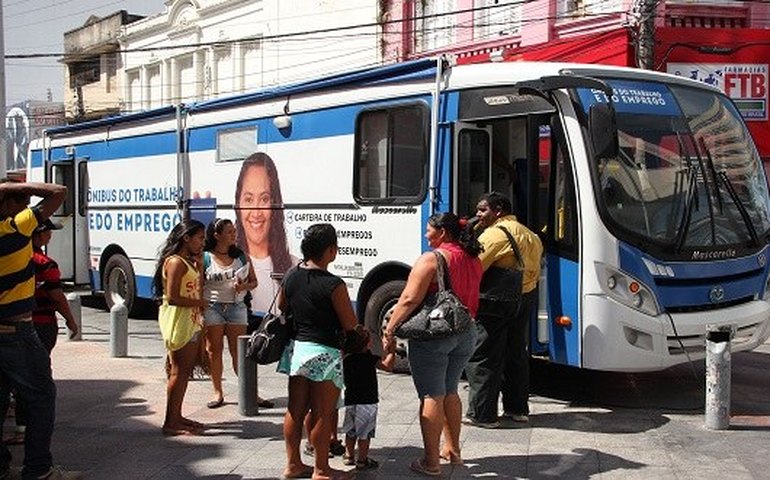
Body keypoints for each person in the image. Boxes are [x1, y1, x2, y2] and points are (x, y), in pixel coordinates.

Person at [382, 212, 482, 477]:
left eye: (429, 230)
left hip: (435, 335)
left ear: (442, 233)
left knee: (431, 394)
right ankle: (453, 450)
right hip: (466, 331)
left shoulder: (432, 259)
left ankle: (431, 462)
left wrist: (390, 329)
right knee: (450, 390)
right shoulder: (473, 257)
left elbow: (409, 299)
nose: (426, 235)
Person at [0, 179, 82, 480]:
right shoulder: (15, 227)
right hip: (16, 329)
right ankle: (38, 469)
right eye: (22, 202)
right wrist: (11, 187)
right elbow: (59, 192)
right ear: (8, 203)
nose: (27, 207)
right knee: (41, 397)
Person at [277, 224, 357, 480]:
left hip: (297, 351)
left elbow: (282, 306)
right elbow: (350, 324)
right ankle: (321, 469)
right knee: (323, 412)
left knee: (295, 409)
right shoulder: (333, 284)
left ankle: (293, 464)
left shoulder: (291, 275)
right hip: (324, 352)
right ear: (331, 250)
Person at [464, 192, 543, 428]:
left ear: (498, 210)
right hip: (525, 297)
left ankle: (482, 414)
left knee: (485, 355)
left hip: (497, 302)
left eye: (482, 209)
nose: (478, 214)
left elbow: (474, 268)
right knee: (516, 353)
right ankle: (517, 409)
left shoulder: (494, 235)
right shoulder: (531, 235)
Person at [6, 220, 80, 446]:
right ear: (38, 235)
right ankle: (29, 433)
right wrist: (70, 320)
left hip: (12, 323)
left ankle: (20, 425)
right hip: (41, 324)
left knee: (13, 376)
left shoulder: (11, 258)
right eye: (48, 232)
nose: (50, 235)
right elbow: (56, 296)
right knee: (37, 379)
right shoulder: (45, 263)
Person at [201, 218, 271, 409]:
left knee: (239, 351)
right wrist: (199, 307)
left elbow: (254, 282)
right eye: (229, 232)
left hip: (237, 307)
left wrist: (243, 287)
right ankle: (217, 392)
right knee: (214, 350)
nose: (234, 235)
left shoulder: (241, 256)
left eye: (234, 231)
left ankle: (250, 393)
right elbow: (199, 285)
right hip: (213, 307)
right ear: (217, 236)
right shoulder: (205, 257)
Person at [153, 219, 208, 436]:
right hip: (179, 321)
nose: (202, 243)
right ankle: (171, 421)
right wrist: (200, 303)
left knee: (185, 373)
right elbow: (173, 297)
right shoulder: (175, 262)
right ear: (186, 238)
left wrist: (199, 267)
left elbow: (196, 287)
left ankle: (177, 415)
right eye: (200, 238)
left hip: (191, 320)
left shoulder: (189, 262)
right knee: (179, 372)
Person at [234, 152, 297, 323]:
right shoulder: (232, 261)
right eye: (248, 199)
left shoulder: (294, 266)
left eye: (264, 199)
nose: (256, 212)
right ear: (238, 204)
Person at [341, 333, 395, 471]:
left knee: (350, 431)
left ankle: (349, 455)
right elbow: (387, 366)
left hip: (351, 400)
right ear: (367, 344)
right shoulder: (370, 358)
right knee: (365, 433)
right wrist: (391, 351)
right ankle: (362, 460)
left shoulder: (346, 359)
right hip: (368, 401)